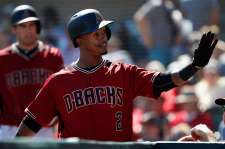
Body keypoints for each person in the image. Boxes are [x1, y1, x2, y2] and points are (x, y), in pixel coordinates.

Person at [15, 8, 217, 141]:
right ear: (79, 40)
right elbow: (30, 124)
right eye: (96, 33)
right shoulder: (58, 82)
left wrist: (195, 66)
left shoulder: (124, 72)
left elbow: (164, 82)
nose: (103, 37)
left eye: (104, 32)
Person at [0, 5, 64, 140]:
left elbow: (60, 94)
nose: (28, 30)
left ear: (38, 27)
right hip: (10, 128)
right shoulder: (3, 59)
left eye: (31, 25)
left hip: (42, 129)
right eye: (23, 26)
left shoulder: (53, 56)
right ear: (14, 29)